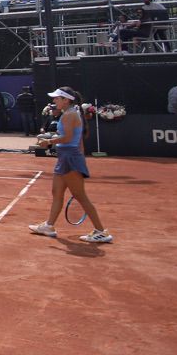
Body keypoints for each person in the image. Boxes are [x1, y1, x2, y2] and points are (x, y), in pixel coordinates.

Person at [30, 87, 112, 243]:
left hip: (70, 159)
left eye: (57, 98)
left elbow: (67, 138)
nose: (54, 101)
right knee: (57, 192)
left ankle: (101, 231)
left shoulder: (69, 115)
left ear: (66, 100)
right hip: (65, 157)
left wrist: (48, 141)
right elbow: (77, 140)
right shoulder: (69, 113)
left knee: (81, 196)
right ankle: (49, 226)